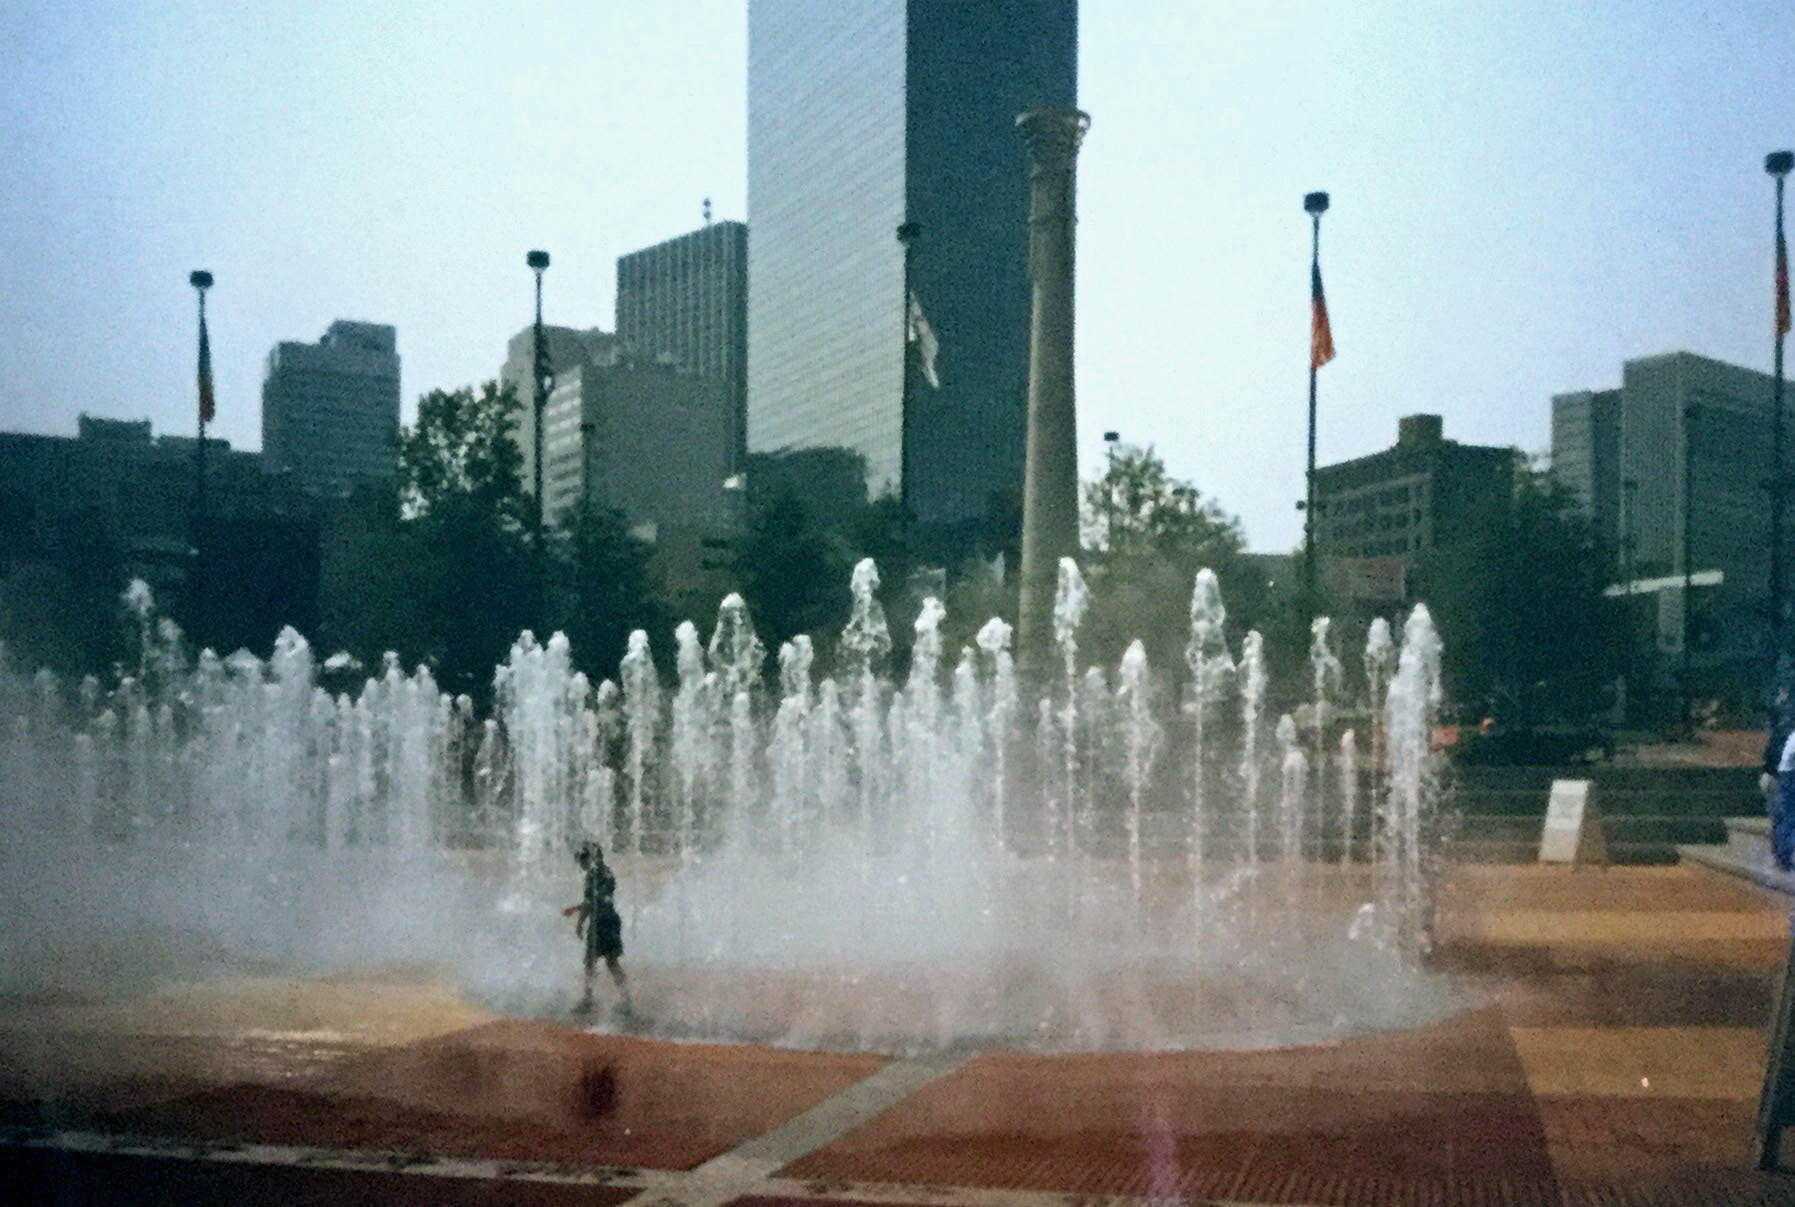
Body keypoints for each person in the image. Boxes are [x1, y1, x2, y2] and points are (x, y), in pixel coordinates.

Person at [564, 841, 630, 1015]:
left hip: (600, 922)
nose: (581, 865)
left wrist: (579, 922)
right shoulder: (607, 872)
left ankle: (588, 1000)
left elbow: (589, 902)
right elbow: (599, 899)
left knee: (590, 962)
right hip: (611, 920)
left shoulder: (592, 875)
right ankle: (626, 1000)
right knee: (612, 962)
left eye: (582, 861)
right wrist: (576, 909)